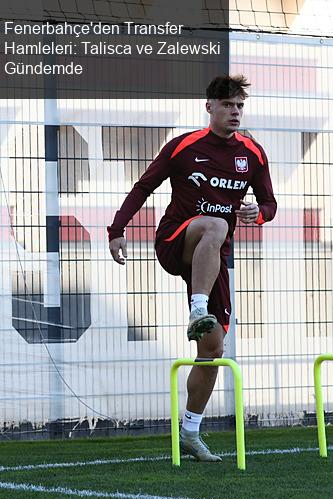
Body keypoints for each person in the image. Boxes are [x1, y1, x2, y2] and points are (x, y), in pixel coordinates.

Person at [107, 75, 277, 461]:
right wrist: (117, 229)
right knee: (215, 223)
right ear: (210, 107)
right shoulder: (184, 146)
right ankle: (197, 310)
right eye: (227, 105)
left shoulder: (252, 153)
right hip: (175, 241)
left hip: (214, 256)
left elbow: (269, 203)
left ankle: (190, 431)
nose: (234, 112)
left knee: (214, 348)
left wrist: (258, 212)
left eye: (239, 106)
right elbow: (143, 187)